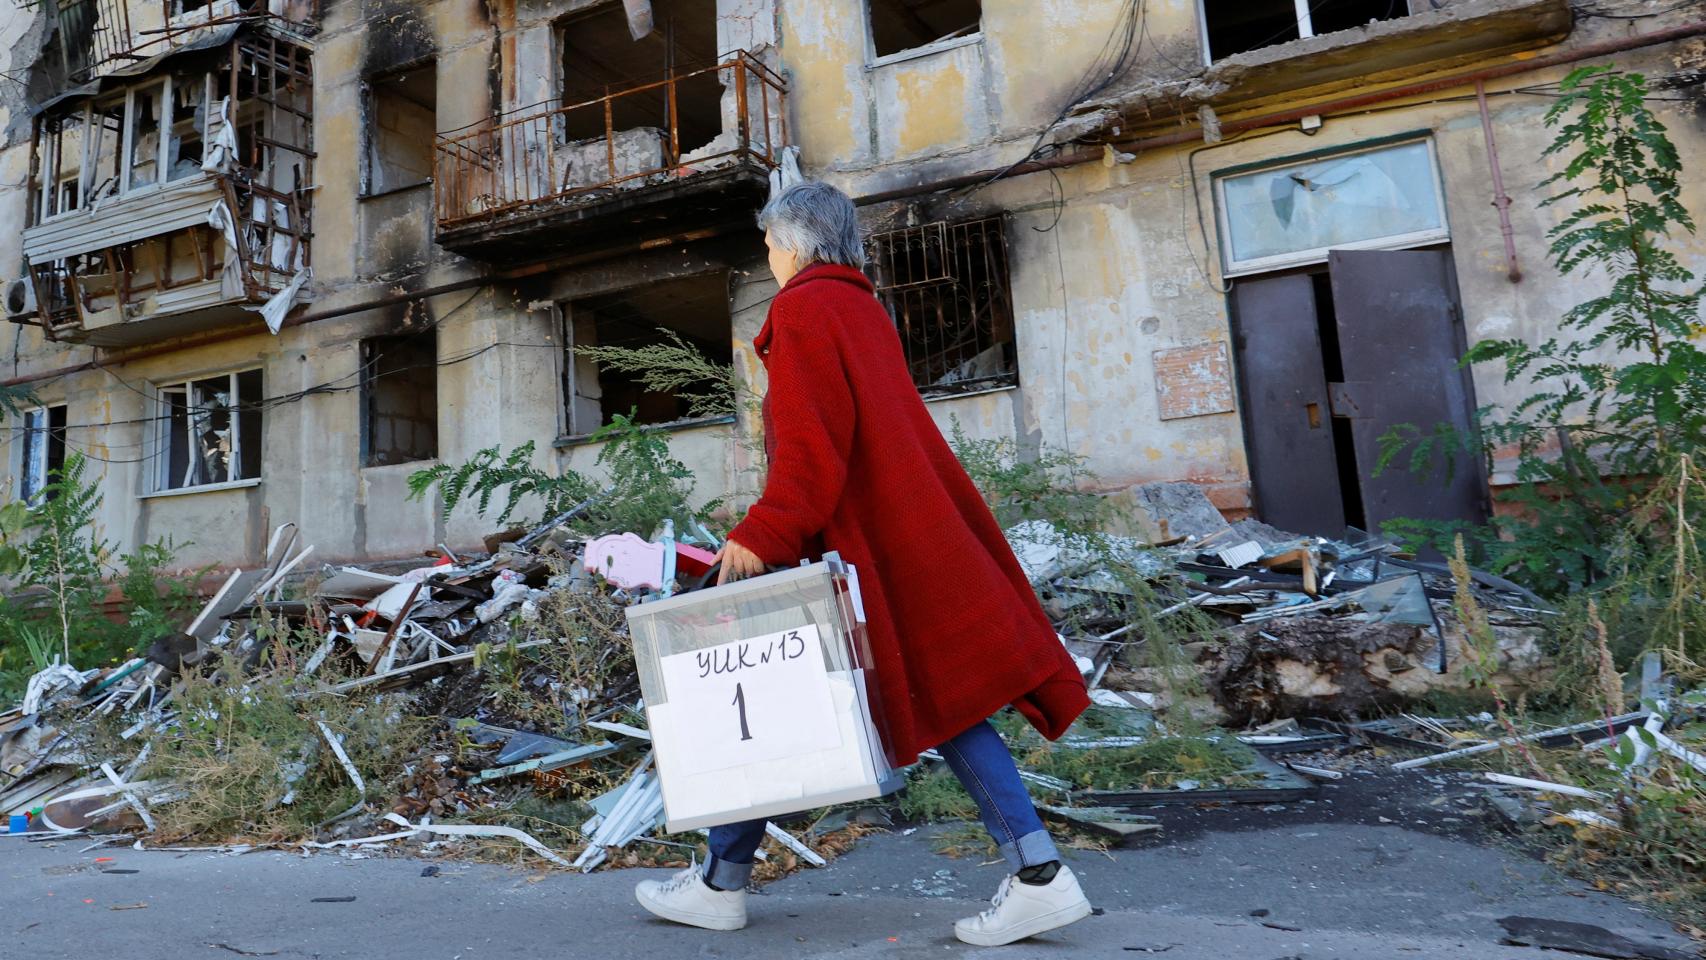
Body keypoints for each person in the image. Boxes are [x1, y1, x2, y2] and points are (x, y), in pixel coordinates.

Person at [634, 181, 1094, 947]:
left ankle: (1038, 877)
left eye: (771, 244)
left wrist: (762, 533)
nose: (770, 258)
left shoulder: (806, 308)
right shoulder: (859, 306)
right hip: (889, 541)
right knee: (817, 694)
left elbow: (816, 449)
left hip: (855, 552)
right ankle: (724, 880)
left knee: (776, 687)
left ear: (795, 242)